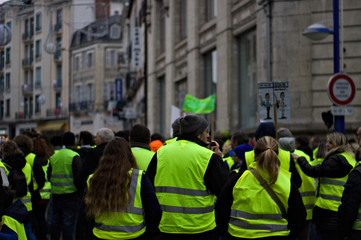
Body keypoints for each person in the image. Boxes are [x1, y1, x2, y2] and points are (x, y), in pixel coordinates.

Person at [147, 114, 229, 240]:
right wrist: (219, 158)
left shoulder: (161, 152)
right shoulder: (207, 156)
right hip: (201, 227)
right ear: (198, 134)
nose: (208, 136)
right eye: (206, 132)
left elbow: (150, 186)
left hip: (167, 226)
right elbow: (222, 188)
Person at [216, 136, 306, 239]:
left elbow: (221, 211)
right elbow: (300, 218)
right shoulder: (287, 182)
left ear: (254, 154)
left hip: (239, 235)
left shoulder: (238, 179)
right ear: (277, 154)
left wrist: (227, 234)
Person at [85, 137, 162, 240]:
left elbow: (85, 216)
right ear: (129, 156)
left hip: (102, 235)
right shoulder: (138, 178)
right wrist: (148, 234)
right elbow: (155, 212)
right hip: (134, 236)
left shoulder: (93, 179)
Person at [294, 132, 356, 240]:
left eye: (330, 143)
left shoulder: (335, 160)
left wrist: (300, 159)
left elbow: (313, 171)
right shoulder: (349, 158)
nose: (326, 145)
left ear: (337, 144)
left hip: (327, 210)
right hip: (339, 208)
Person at [240, 122, 302, 188]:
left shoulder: (248, 156)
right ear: (275, 138)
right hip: (281, 197)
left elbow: (240, 182)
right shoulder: (287, 156)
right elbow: (297, 183)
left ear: (257, 139)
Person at [48, 131, 82, 240]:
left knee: (55, 224)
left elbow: (49, 175)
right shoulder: (74, 156)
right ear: (74, 142)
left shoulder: (54, 157)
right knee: (68, 226)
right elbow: (78, 177)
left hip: (56, 195)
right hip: (71, 196)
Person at [1, 140, 36, 240]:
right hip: (27, 204)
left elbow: (5, 187)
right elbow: (31, 184)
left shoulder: (4, 166)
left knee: (16, 233)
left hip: (13, 206)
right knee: (28, 231)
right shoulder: (27, 165)